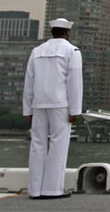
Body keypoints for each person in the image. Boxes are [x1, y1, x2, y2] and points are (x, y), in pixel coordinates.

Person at [22, 17, 83, 199]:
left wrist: (27, 109)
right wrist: (75, 110)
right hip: (60, 104)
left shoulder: (37, 51)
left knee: (37, 145)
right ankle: (52, 189)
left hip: (38, 104)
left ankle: (35, 189)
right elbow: (74, 82)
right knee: (58, 145)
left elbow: (29, 81)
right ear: (67, 32)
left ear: (52, 31)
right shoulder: (72, 51)